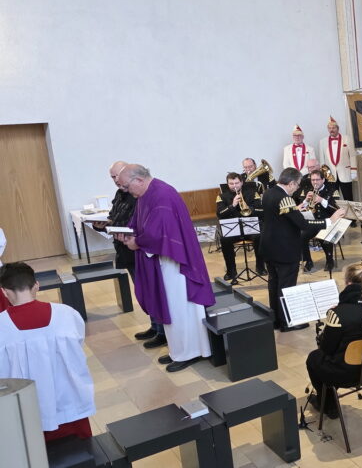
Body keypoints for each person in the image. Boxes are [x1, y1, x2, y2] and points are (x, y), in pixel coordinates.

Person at [117, 164, 215, 372]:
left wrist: (137, 242)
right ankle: (179, 350)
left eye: (126, 186)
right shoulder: (145, 194)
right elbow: (140, 223)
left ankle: (190, 352)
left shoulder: (161, 195)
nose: (125, 191)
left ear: (139, 180)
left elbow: (159, 234)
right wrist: (128, 233)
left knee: (180, 308)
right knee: (172, 306)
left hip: (175, 265)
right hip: (164, 263)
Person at [0, 263, 95, 442]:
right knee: (81, 454)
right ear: (36, 285)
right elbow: (78, 346)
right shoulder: (67, 314)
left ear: (4, 292)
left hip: (25, 414)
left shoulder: (1, 326)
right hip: (70, 405)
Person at [305, 262, 362, 418]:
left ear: (348, 284)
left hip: (347, 375)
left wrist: (332, 320)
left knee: (314, 358)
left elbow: (326, 349)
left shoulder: (339, 314)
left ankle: (328, 405)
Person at [260, 167, 344, 331]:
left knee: (274, 283)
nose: (298, 187)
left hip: (268, 246)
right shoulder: (285, 199)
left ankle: (276, 320)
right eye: (297, 184)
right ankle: (286, 322)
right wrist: (330, 221)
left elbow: (282, 215)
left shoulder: (269, 193)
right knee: (286, 286)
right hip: (283, 249)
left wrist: (297, 208)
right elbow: (303, 224)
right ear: (291, 183)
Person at [92, 161, 164, 346]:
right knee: (142, 291)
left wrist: (130, 234)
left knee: (153, 291)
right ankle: (154, 326)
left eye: (118, 177)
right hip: (125, 249)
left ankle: (162, 331)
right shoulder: (121, 193)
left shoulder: (140, 194)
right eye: (113, 178)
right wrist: (105, 226)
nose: (116, 182)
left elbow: (142, 223)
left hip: (139, 249)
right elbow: (116, 216)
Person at [216, 172, 264, 282]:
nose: (234, 186)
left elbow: (262, 211)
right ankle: (231, 271)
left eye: (237, 183)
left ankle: (260, 266)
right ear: (227, 184)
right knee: (224, 240)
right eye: (231, 183)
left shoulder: (252, 193)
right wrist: (232, 205)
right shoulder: (222, 196)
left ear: (241, 182)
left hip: (250, 227)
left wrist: (250, 208)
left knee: (259, 236)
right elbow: (220, 214)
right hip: (233, 229)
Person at [295, 166, 341, 273]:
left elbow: (335, 209)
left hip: (328, 222)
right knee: (301, 236)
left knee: (323, 236)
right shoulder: (308, 190)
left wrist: (322, 200)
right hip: (313, 223)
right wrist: (306, 200)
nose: (315, 182)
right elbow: (302, 209)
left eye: (317, 180)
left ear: (323, 179)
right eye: (312, 180)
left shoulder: (331, 190)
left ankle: (330, 260)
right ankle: (308, 261)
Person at [319, 115, 357, 201]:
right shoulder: (322, 142)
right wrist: (325, 175)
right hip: (330, 175)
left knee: (348, 197)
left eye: (333, 128)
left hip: (345, 173)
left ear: (338, 128)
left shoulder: (347, 139)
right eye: (329, 128)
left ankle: (350, 214)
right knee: (333, 198)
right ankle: (335, 214)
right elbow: (322, 160)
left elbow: (352, 155)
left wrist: (354, 170)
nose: (331, 130)